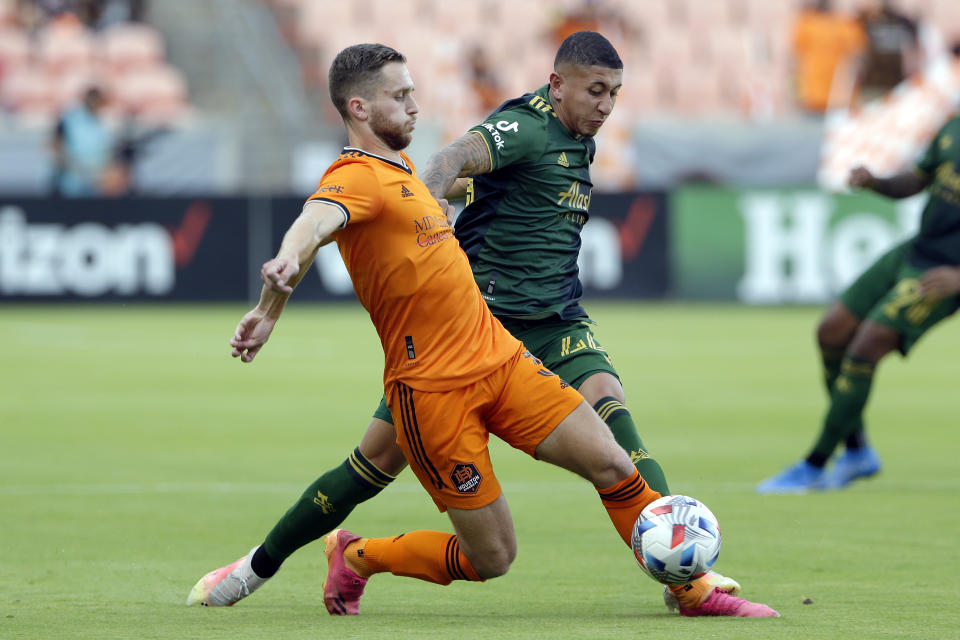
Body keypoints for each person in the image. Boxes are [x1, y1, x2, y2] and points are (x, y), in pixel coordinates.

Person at [188, 34, 777, 618]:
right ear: (359, 109)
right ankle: (329, 558)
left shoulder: (407, 175)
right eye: (400, 96)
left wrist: (272, 309)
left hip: (503, 356)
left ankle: (692, 590)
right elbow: (318, 218)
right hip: (433, 388)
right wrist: (281, 275)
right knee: (485, 552)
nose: (416, 106)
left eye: (415, 92)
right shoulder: (358, 177)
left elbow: (467, 184)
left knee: (615, 460)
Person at [757, 113, 960, 494]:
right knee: (831, 331)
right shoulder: (953, 125)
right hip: (915, 252)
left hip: (945, 274)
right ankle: (857, 452)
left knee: (867, 344)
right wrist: (875, 182)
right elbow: (916, 180)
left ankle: (814, 466)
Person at [791, 0, 866, 113]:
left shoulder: (841, 24)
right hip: (816, 94)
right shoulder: (808, 23)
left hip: (833, 95)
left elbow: (857, 49)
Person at [49, 86, 114, 197]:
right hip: (70, 183)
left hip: (96, 184)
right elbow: (55, 145)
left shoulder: (103, 123)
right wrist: (72, 167)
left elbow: (106, 153)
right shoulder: (69, 119)